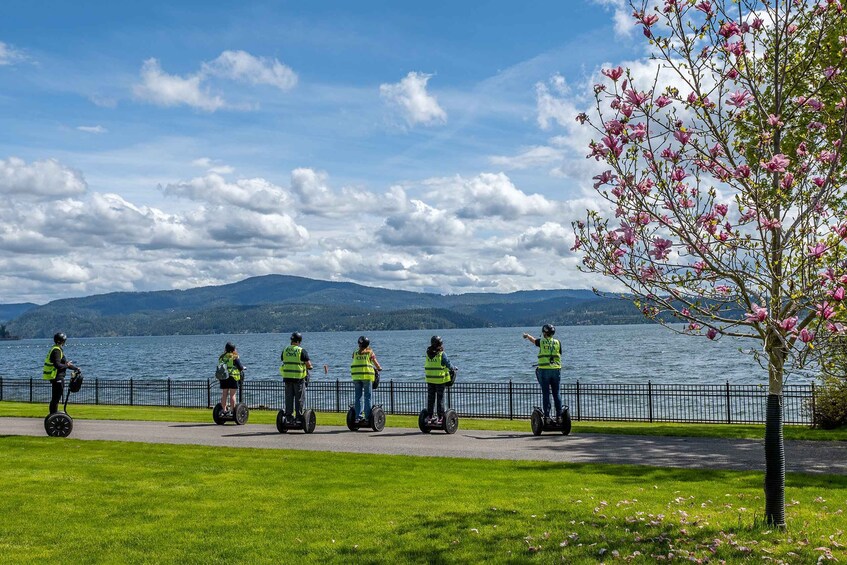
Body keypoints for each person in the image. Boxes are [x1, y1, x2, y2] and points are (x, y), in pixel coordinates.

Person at [522, 324, 563, 422]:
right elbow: (560, 353)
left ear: (544, 332)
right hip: (556, 369)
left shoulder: (542, 341)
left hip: (544, 370)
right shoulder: (558, 342)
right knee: (556, 393)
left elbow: (534, 340)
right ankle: (559, 416)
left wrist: (527, 336)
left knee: (546, 393)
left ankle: (547, 417)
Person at [279, 332, 313, 423]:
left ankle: (288, 417)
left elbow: (282, 359)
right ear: (299, 341)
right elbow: (309, 365)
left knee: (289, 398)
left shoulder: (285, 350)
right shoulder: (301, 351)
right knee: (299, 399)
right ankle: (298, 418)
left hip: (287, 378)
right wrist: (309, 367)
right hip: (298, 379)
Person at [42, 332, 80, 415]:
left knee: (55, 398)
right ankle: (53, 415)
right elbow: (58, 365)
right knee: (56, 398)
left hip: (56, 377)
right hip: (57, 377)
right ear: (63, 341)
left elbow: (64, 364)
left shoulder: (56, 349)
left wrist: (75, 368)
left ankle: (53, 414)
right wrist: (66, 365)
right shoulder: (56, 350)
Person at [424, 335, 456, 424]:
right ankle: (441, 417)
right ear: (440, 343)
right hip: (439, 380)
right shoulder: (442, 354)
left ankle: (429, 416)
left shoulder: (428, 353)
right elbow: (448, 364)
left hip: (430, 379)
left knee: (431, 398)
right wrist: (454, 368)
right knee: (440, 399)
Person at [351, 335, 383, 423]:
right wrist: (379, 368)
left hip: (356, 377)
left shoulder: (355, 352)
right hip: (367, 377)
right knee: (367, 397)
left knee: (358, 397)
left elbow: (354, 358)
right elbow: (375, 363)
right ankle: (368, 418)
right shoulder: (370, 352)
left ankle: (358, 417)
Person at [218, 342, 246, 415]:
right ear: (233, 349)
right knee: (232, 394)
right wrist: (243, 368)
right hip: (233, 376)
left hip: (223, 376)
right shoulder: (234, 356)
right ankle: (232, 411)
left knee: (224, 394)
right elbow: (240, 367)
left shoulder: (221, 357)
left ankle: (224, 411)